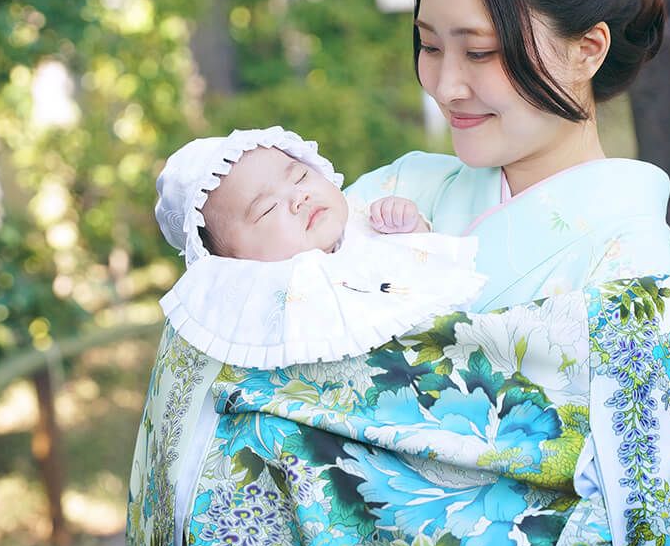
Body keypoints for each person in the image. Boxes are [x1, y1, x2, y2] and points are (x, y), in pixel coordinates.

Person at [126, 0, 670, 546]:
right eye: (429, 45)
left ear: (587, 49)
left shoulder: (630, 266)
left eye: (479, 51)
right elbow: (225, 320)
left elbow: (641, 523)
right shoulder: (395, 189)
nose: (445, 85)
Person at [151, 126, 486, 368]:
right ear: (231, 264)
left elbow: (420, 261)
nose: (299, 197)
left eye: (299, 176)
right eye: (267, 209)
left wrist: (409, 226)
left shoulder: (362, 222)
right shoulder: (257, 299)